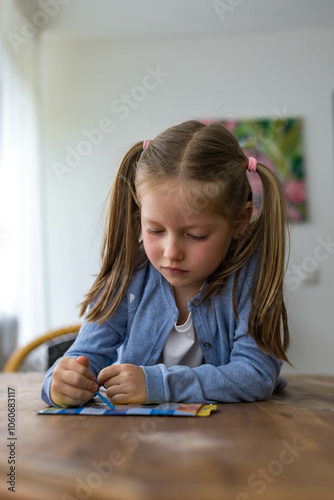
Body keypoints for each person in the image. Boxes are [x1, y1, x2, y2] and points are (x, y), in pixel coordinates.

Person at [41, 120, 290, 408]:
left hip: (225, 439)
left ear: (240, 221)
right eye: (156, 231)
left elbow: (255, 374)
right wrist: (59, 382)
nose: (171, 253)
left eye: (196, 235)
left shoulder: (250, 277)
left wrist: (158, 384)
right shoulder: (129, 271)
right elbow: (85, 355)